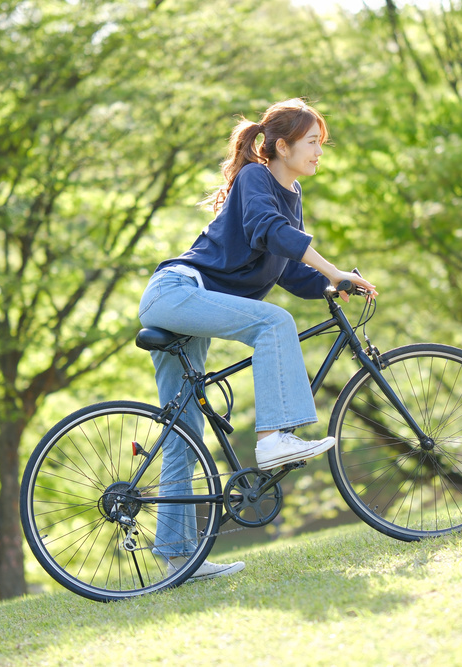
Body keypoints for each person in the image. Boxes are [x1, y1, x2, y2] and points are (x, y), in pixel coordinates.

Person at [138, 99, 377, 582]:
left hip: (190, 305)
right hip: (177, 292)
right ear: (282, 146)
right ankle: (273, 440)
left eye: (321, 145)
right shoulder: (255, 178)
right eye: (312, 143)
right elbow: (270, 231)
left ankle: (177, 559)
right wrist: (330, 267)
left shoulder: (292, 193)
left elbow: (285, 263)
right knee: (274, 324)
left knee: (183, 434)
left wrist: (330, 284)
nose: (319, 153)